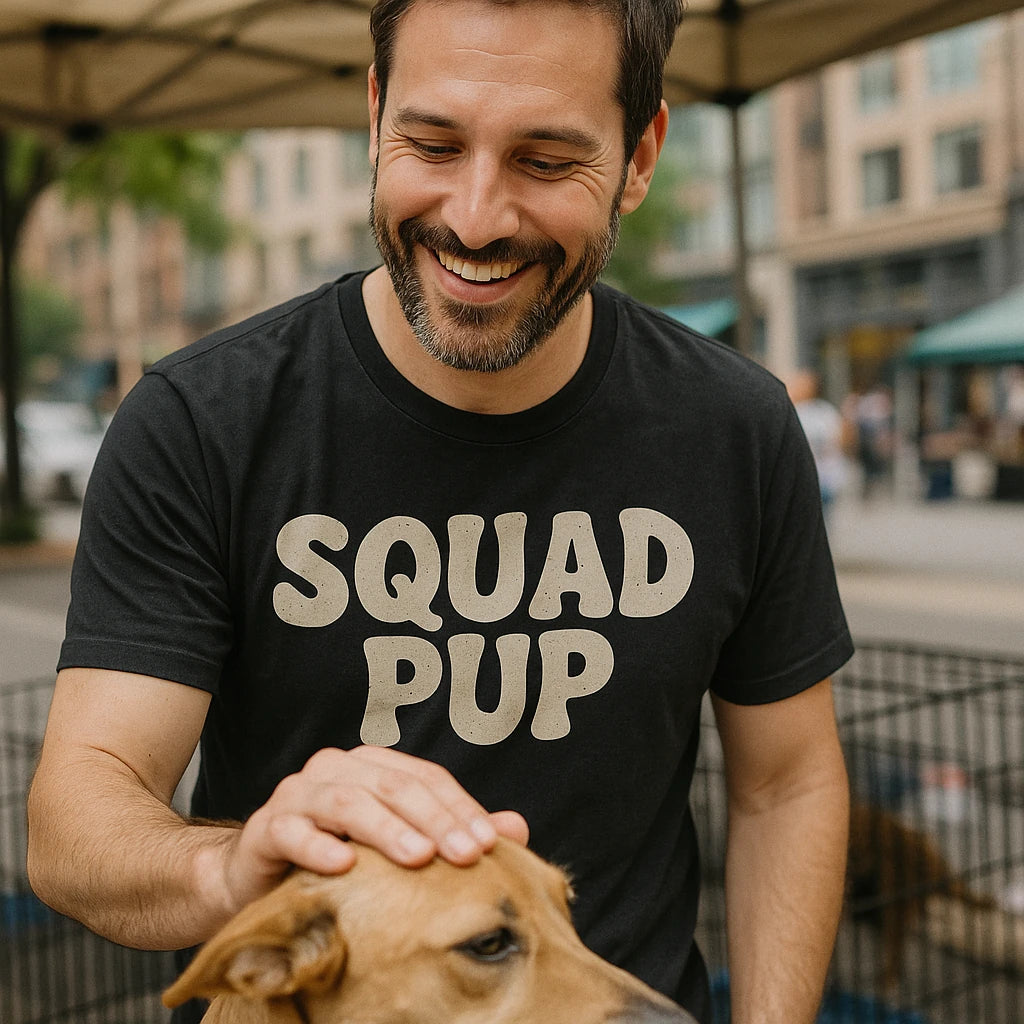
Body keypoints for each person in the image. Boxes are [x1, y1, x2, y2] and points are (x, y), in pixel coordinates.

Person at [26, 1, 853, 1023]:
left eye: (546, 159)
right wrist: (231, 865)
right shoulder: (201, 421)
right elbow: (75, 821)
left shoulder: (735, 425)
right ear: (375, 116)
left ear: (640, 157)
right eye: (431, 141)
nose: (474, 217)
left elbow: (784, 785)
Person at [786, 369, 847, 520]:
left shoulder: (819, 412)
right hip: (812, 476)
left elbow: (840, 440)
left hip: (822, 475)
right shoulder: (820, 411)